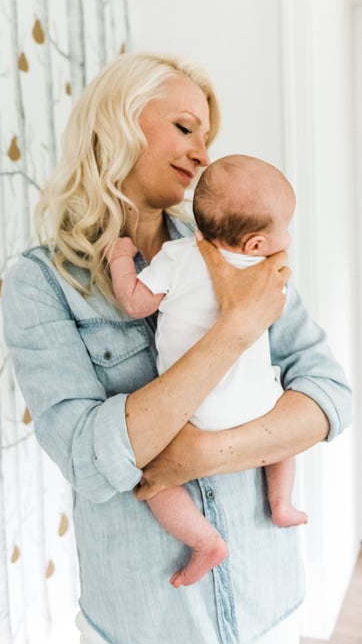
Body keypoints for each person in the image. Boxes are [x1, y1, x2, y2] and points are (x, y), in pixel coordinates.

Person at [2, 53, 352, 644]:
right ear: (118, 122)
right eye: (185, 127)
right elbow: (87, 459)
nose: (202, 151)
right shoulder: (42, 283)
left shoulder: (241, 248)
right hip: (146, 623)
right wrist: (236, 329)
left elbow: (328, 395)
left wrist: (210, 453)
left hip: (263, 591)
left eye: (208, 136)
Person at [107, 154, 308, 589]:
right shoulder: (266, 272)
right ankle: (281, 501)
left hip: (193, 413)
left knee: (154, 480)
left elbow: (136, 303)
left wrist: (122, 259)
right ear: (255, 244)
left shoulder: (177, 256)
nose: (288, 238)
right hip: (260, 406)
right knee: (285, 441)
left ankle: (204, 542)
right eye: (286, 227)